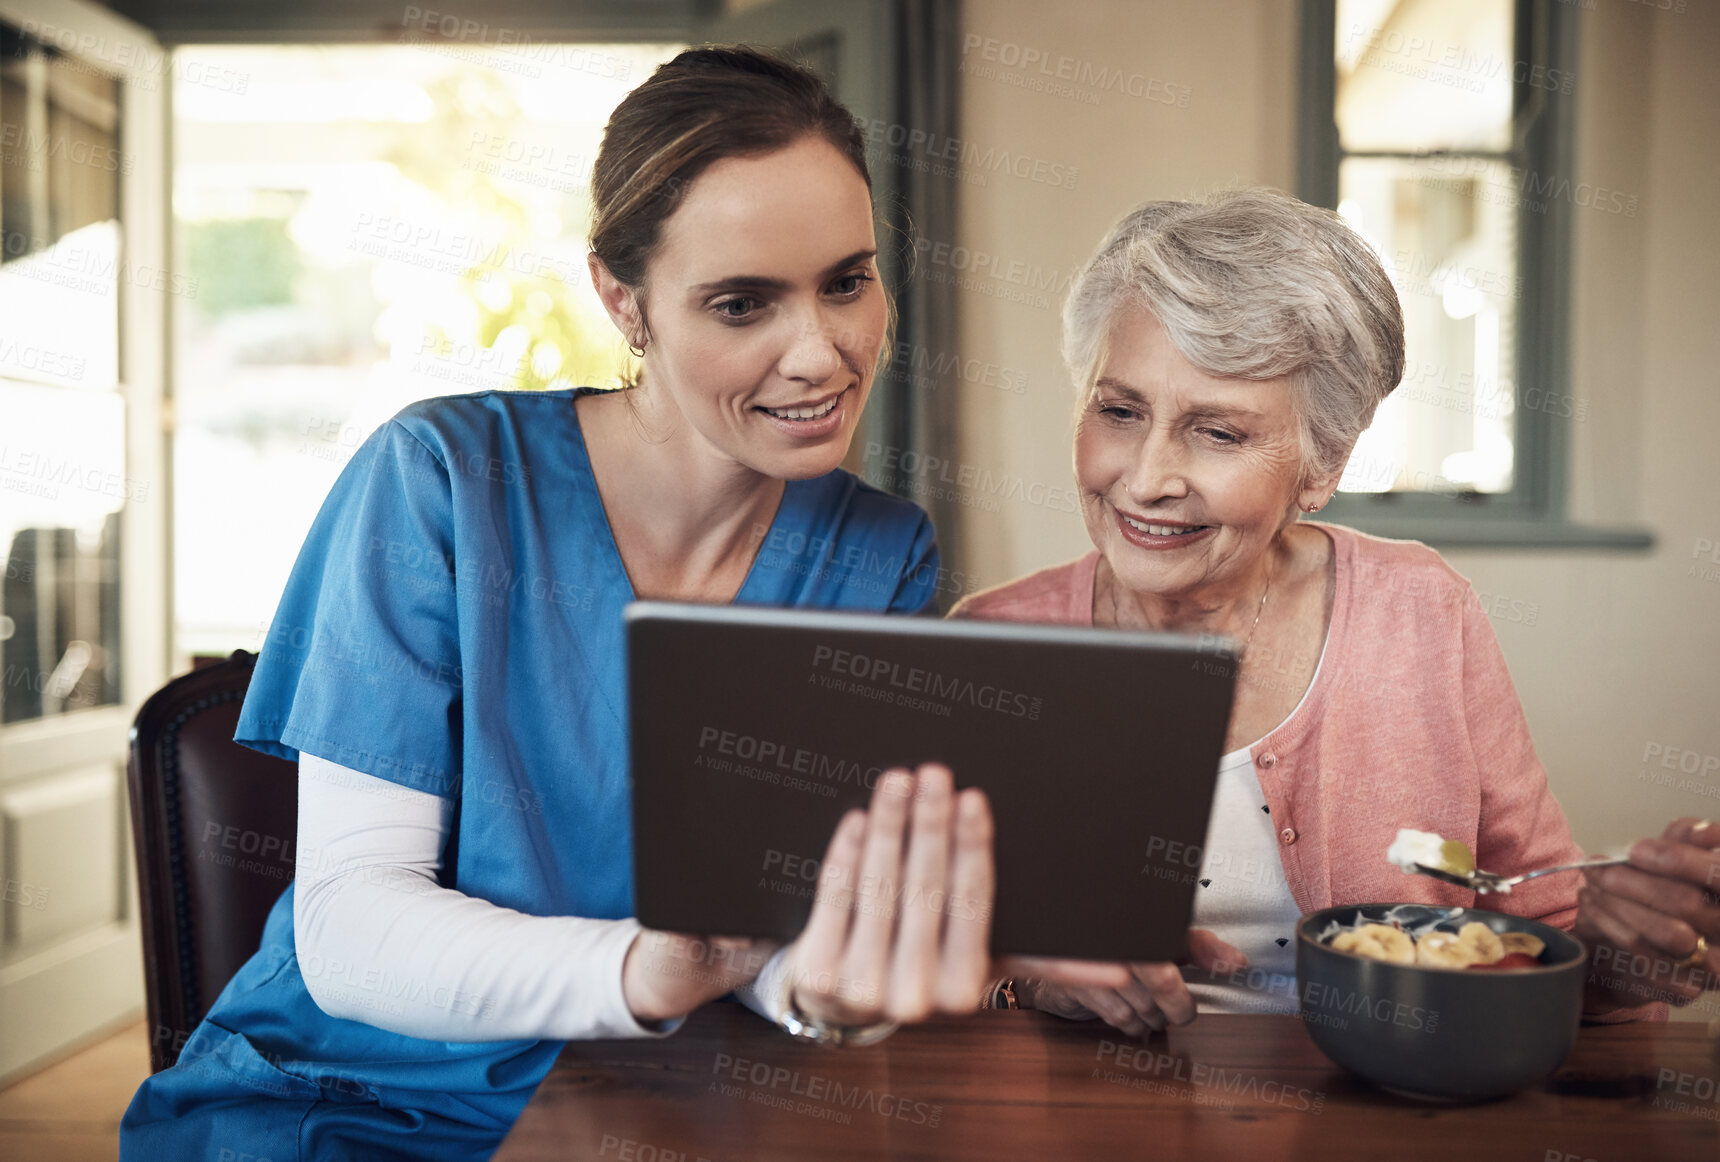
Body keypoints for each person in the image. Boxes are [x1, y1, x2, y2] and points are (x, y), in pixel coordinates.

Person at [122, 46, 1122, 1162]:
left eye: (847, 280)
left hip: (664, 1104)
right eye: (743, 303)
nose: (822, 353)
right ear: (621, 298)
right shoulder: (442, 479)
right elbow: (352, 926)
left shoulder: (877, 552)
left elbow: (769, 934)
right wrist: (649, 969)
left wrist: (827, 993)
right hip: (355, 1097)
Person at [955, 189, 1672, 1035]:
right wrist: (1024, 984)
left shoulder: (1419, 612)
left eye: (1218, 433)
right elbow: (917, 963)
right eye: (1119, 412)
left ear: (1323, 467)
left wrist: (1633, 944)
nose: (1146, 478)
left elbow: (1541, 932)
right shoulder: (991, 643)